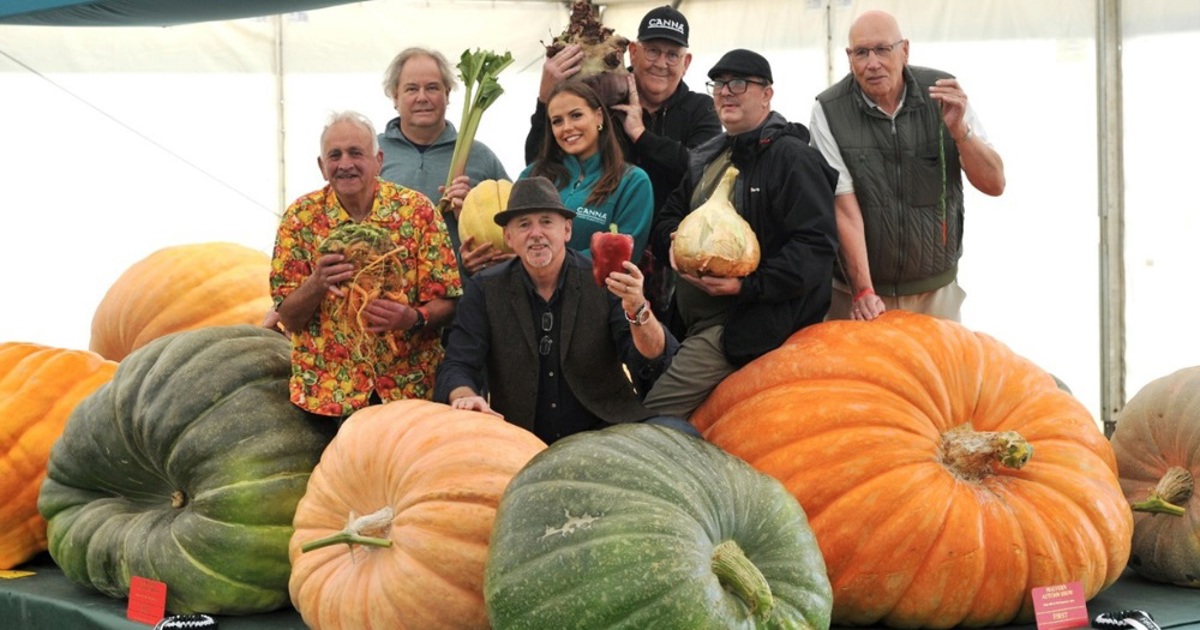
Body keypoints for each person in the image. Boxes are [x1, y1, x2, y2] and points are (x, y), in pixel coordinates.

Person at [643, 49, 839, 420]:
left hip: (741, 326)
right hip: (691, 324)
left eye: (738, 83)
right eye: (718, 84)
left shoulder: (792, 159)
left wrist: (745, 287)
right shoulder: (708, 158)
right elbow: (669, 215)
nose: (725, 92)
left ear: (767, 94)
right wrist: (675, 244)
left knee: (651, 416)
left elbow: (815, 249)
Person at [435, 176, 691, 445]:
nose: (536, 233)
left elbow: (653, 359)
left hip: (607, 433)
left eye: (546, 221)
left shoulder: (604, 279)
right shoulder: (484, 289)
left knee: (682, 436)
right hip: (521, 440)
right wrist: (465, 397)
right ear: (508, 237)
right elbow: (458, 363)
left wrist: (639, 310)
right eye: (524, 225)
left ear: (567, 230)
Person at [810, 10, 1006, 323]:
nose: (872, 63)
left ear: (905, 50)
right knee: (858, 373)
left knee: (939, 371)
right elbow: (844, 209)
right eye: (861, 52)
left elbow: (994, 183)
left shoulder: (943, 94)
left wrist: (960, 132)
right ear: (849, 58)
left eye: (882, 49)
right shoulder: (829, 110)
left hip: (935, 292)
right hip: (858, 296)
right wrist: (863, 290)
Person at [526, 5, 722, 316]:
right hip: (602, 251)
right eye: (652, 51)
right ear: (631, 52)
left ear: (686, 63)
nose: (661, 63)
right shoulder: (600, 94)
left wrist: (641, 135)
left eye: (672, 55)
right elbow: (543, 164)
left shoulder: (701, 109)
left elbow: (704, 167)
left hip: (675, 253)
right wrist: (544, 99)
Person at [270, 110, 462, 417]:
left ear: (378, 160)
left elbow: (448, 302)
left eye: (356, 153)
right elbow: (289, 319)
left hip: (408, 390)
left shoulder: (417, 212)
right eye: (334, 155)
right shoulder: (300, 219)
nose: (345, 164)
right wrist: (316, 283)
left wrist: (412, 317)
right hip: (330, 394)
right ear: (322, 167)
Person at [378, 47, 510, 271]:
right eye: (411, 89)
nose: (422, 97)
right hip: (391, 291)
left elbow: (516, 226)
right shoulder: (371, 153)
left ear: (447, 94)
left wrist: (472, 210)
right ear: (395, 96)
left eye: (432, 88)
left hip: (468, 295)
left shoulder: (482, 157)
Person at [519, 81, 654, 263]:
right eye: (557, 121)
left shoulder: (633, 182)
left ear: (598, 117)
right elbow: (511, 239)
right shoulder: (532, 176)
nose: (567, 127)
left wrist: (550, 264)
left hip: (597, 290)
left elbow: (621, 257)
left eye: (576, 115)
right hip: (529, 290)